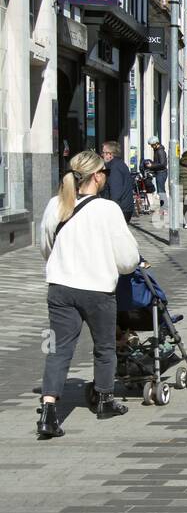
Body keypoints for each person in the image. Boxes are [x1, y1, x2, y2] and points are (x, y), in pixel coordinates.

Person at [35, 150, 141, 438]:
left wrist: (61, 265)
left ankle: (48, 412)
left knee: (58, 350)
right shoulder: (108, 210)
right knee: (104, 347)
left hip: (60, 288)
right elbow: (128, 258)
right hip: (97, 289)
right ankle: (105, 400)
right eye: (104, 172)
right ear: (97, 176)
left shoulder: (55, 205)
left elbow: (45, 245)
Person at [99, 141, 135, 222]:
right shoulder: (120, 164)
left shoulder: (114, 167)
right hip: (123, 208)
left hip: (120, 209)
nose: (102, 155)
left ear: (110, 155)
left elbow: (115, 192)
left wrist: (110, 211)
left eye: (104, 153)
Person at [146, 139, 169, 216]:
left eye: (152, 145)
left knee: (161, 191)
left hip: (161, 173)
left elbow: (163, 164)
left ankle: (164, 209)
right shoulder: (157, 150)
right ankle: (163, 208)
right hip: (159, 172)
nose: (151, 147)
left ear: (156, 144)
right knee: (160, 191)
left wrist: (152, 165)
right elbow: (158, 163)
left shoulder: (160, 151)